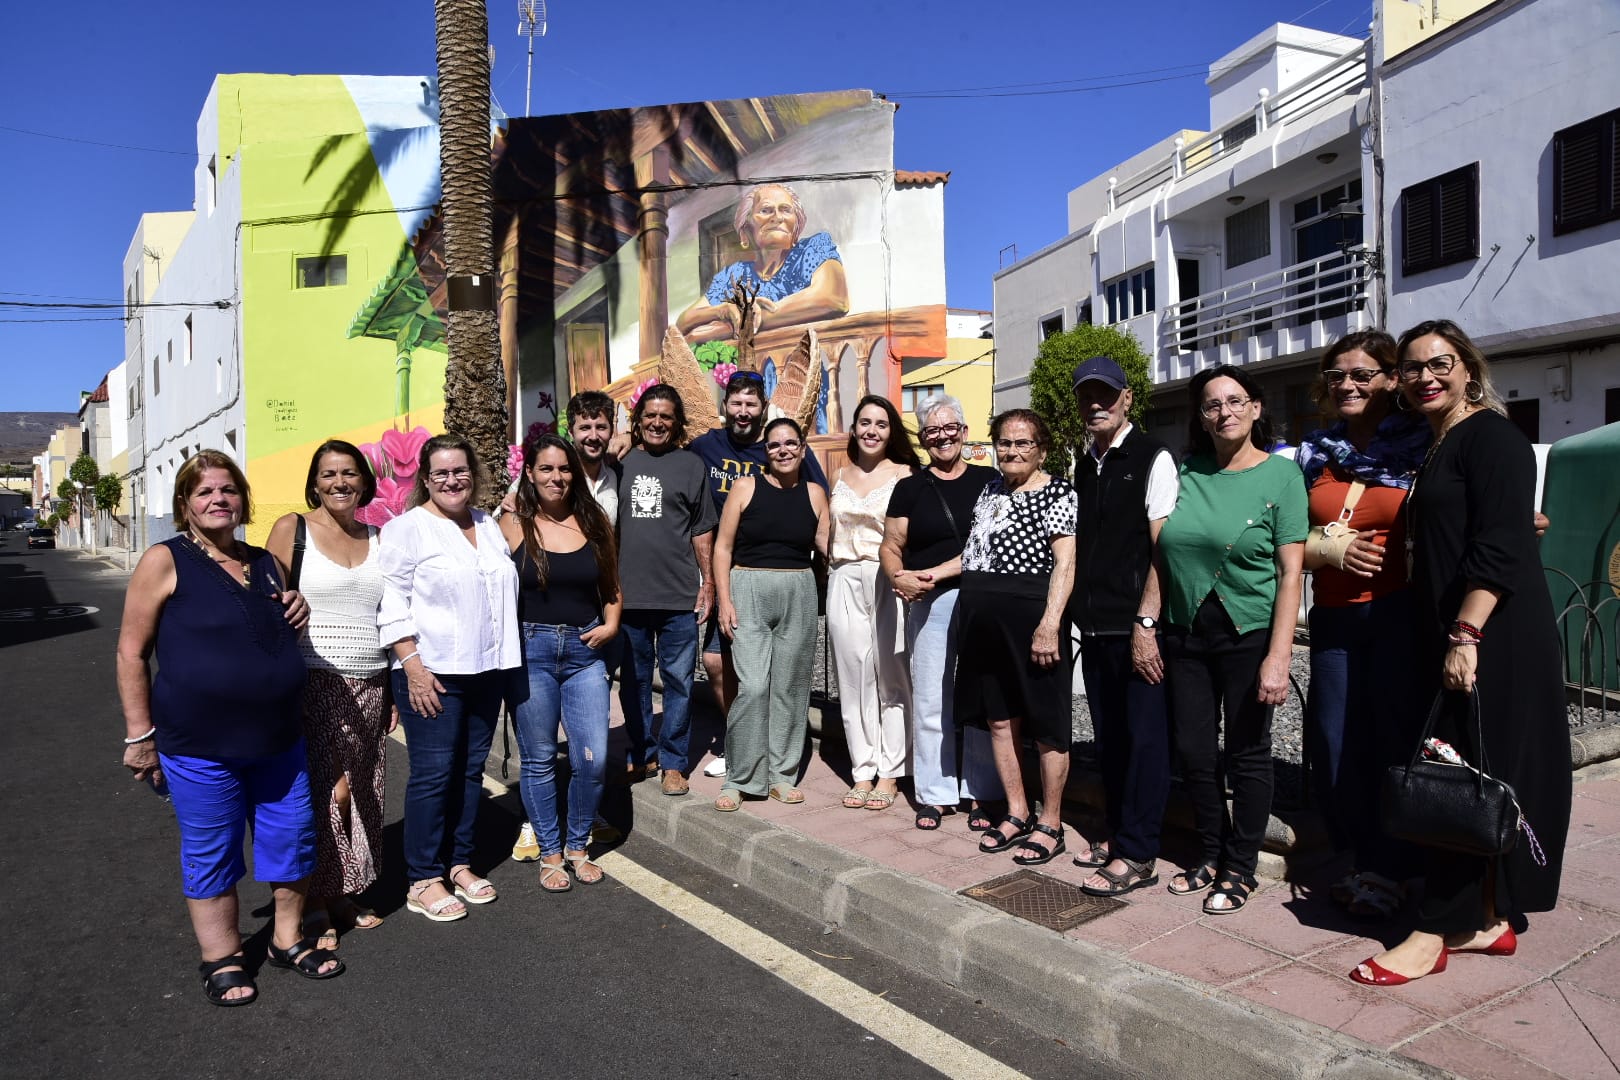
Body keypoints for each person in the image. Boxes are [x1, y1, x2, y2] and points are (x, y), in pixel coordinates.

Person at [1350, 320, 1571, 986]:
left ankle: (1433, 932)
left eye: (1439, 363)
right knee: (1475, 770)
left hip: (1492, 635)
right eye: (1412, 368)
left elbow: (1500, 546)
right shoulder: (1440, 442)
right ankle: (1486, 920)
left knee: (1453, 774)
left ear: (1468, 368)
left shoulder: (1492, 437)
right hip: (1463, 631)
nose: (1425, 377)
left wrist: (1466, 635)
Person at [117, 451, 339, 1007]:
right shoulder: (164, 561)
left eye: (228, 490)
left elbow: (277, 622)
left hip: (279, 741)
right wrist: (139, 734)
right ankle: (221, 956)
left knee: (291, 839)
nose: (218, 500)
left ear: (243, 498)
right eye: (203, 492)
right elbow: (130, 651)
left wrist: (297, 604)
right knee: (212, 849)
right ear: (184, 506)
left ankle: (285, 941)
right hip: (199, 746)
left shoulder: (265, 561)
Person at [1151, 365, 1306, 914]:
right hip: (1186, 630)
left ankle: (1240, 867)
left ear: (1256, 408)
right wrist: (1148, 623)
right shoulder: (1185, 472)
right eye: (1213, 405)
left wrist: (1279, 657)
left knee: (1247, 753)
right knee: (1194, 752)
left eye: (1236, 401)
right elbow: (1160, 553)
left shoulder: (1282, 477)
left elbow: (1292, 573)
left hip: (1249, 632)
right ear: (1202, 417)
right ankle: (1211, 854)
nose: (1225, 412)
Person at [1294, 332, 1430, 920]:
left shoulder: (1426, 444)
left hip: (1400, 613)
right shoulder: (1312, 453)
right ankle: (1359, 855)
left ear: (1392, 379)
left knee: (1392, 739)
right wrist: (1330, 550)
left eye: (1363, 374)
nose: (1347, 385)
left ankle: (1393, 867)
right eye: (1338, 375)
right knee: (1333, 741)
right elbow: (1281, 536)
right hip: (1334, 618)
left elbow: (1456, 508)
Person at [379, 435, 520, 923]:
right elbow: (391, 601)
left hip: (487, 669)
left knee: (468, 771)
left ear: (473, 476)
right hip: (432, 672)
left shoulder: (489, 525)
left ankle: (459, 862)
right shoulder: (406, 530)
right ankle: (422, 876)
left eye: (459, 471)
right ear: (425, 478)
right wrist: (412, 667)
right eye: (440, 473)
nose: (452, 480)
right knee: (433, 775)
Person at [266, 440, 392, 949]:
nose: (339, 482)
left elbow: (393, 614)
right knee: (325, 791)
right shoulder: (291, 529)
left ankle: (341, 891)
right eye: (328, 474)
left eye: (348, 473)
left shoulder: (380, 536)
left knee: (359, 788)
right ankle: (314, 901)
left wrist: (398, 690)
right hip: (312, 678)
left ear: (363, 480)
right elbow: (267, 602)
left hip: (372, 680)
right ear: (314, 483)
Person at [1064, 358, 1179, 896]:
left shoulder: (1153, 458)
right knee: (1111, 742)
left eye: (1106, 395)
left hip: (1137, 626)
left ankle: (1140, 853)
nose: (1096, 404)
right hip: (1097, 626)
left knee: (1145, 743)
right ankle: (1118, 834)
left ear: (1127, 399)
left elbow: (1164, 549)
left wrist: (1146, 624)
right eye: (1087, 395)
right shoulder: (1085, 463)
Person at [688, 370, 828, 780]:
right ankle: (743, 743)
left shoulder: (779, 449)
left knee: (778, 673)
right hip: (729, 572)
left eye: (752, 404)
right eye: (737, 403)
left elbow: (819, 508)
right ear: (725, 406)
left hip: (781, 574)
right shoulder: (704, 448)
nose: (743, 411)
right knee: (716, 661)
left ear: (763, 408)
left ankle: (769, 747)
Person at [499, 432, 622, 893]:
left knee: (592, 757)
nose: (557, 476)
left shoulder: (593, 522)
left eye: (564, 468)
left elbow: (612, 584)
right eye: (546, 468)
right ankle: (550, 852)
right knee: (540, 758)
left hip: (585, 652)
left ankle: (578, 845)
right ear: (529, 473)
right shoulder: (512, 526)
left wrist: (611, 625)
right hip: (529, 652)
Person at [878, 393, 1003, 831]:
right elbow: (891, 546)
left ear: (965, 433)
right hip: (928, 602)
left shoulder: (991, 481)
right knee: (931, 696)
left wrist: (928, 573)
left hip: (980, 599)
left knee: (982, 695)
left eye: (950, 428)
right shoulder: (910, 487)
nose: (943, 436)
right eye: (933, 430)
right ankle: (934, 793)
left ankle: (982, 791)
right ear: (924, 437)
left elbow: (986, 546)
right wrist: (899, 578)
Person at [959, 410, 1078, 864]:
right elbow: (975, 554)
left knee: (1047, 724)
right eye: (1004, 443)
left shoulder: (1057, 491)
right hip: (984, 625)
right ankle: (1016, 810)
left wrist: (1049, 625)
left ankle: (1051, 822)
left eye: (1022, 443)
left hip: (1032, 624)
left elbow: (1065, 564)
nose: (1011, 451)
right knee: (999, 718)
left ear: (1041, 449)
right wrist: (930, 574)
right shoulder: (989, 490)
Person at [710, 417, 830, 810]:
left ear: (802, 448)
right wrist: (725, 601)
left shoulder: (815, 493)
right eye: (775, 445)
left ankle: (781, 774)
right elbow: (723, 548)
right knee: (753, 687)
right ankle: (740, 776)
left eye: (790, 443)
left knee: (791, 689)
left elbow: (830, 547)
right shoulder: (745, 487)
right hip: (748, 589)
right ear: (766, 452)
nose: (783, 450)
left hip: (799, 589)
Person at [617, 384, 719, 795]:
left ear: (676, 424)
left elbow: (702, 529)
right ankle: (642, 753)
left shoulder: (691, 465)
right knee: (634, 682)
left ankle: (674, 763)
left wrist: (707, 581)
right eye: (650, 415)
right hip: (628, 597)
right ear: (638, 419)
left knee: (678, 682)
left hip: (678, 596)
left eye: (666, 416)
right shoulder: (619, 461)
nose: (657, 422)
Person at [827, 395, 919, 811]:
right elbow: (824, 530)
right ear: (853, 428)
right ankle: (862, 769)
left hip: (887, 577)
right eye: (864, 422)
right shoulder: (839, 473)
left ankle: (891, 771)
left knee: (892, 674)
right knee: (853, 676)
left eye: (881, 424)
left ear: (891, 431)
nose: (871, 430)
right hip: (844, 577)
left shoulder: (905, 474)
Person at [676, 183, 849, 344]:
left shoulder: (813, 248)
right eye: (766, 210)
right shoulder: (734, 274)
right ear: (745, 232)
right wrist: (721, 311)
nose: (777, 217)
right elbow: (684, 322)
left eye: (786, 210)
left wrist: (737, 324)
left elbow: (832, 298)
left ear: (796, 227)